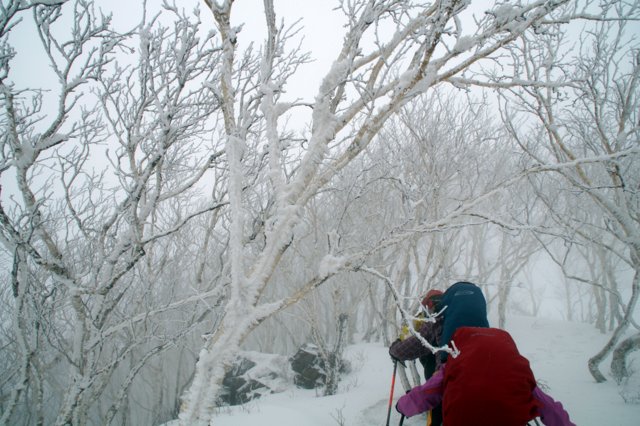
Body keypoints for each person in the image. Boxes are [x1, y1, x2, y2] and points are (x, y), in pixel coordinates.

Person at [396, 327, 575, 426]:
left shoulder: (455, 364)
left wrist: (402, 406)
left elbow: (428, 392)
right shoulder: (516, 372)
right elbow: (548, 407)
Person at [389, 289, 444, 426]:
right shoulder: (461, 320)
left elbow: (413, 345)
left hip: (441, 382)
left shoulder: (434, 320)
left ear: (430, 305)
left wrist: (394, 349)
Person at [438, 281, 489, 363]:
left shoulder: (436, 324)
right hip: (483, 355)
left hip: (451, 357)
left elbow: (411, 348)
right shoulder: (478, 292)